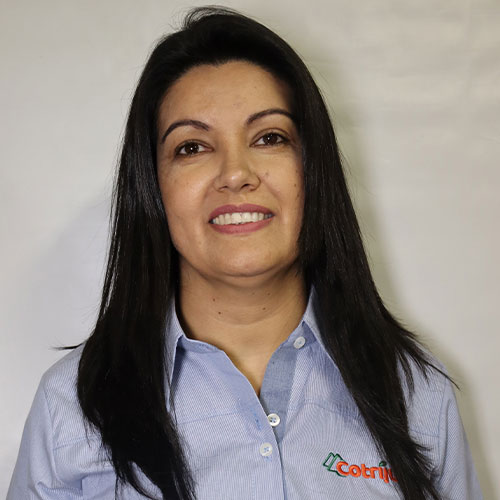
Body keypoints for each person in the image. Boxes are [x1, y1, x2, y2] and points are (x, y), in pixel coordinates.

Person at [7, 6, 482, 500]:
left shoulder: (415, 394)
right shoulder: (72, 407)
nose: (236, 173)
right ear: (153, 187)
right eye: (192, 147)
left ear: (312, 170)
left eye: (270, 138)